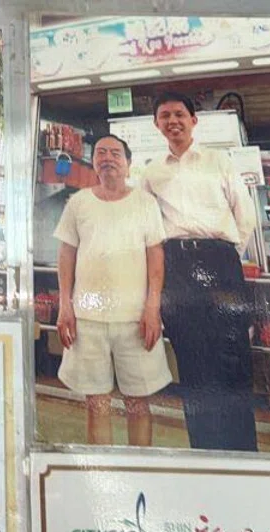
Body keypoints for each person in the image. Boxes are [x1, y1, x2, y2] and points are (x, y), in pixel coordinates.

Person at [141, 91, 259, 451]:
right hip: (176, 267)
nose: (172, 121)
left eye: (179, 114)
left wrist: (225, 254)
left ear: (193, 120)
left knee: (232, 357)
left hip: (220, 261)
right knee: (192, 360)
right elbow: (148, 228)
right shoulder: (151, 171)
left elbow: (245, 215)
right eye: (165, 116)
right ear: (157, 124)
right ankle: (204, 450)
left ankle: (243, 452)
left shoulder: (218, 161)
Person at [55, 134, 171, 446]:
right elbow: (66, 255)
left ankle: (138, 467)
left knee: (138, 403)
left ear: (129, 164)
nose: (108, 158)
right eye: (101, 153)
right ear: (93, 162)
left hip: (136, 320)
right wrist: (65, 305)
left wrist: (153, 308)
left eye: (115, 153)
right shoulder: (78, 203)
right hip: (87, 320)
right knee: (96, 404)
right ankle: (102, 470)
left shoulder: (145, 203)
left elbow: (155, 257)